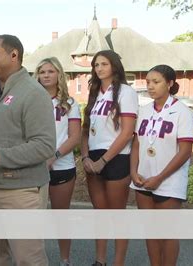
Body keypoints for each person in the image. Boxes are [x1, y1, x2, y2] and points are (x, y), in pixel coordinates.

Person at [0, 34, 56, 266]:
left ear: (14, 55)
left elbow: (45, 145)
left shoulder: (33, 93)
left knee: (28, 258)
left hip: (20, 191)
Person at [130, 64, 193, 266]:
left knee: (167, 234)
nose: (150, 86)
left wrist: (159, 178)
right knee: (151, 233)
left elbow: (185, 151)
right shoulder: (144, 110)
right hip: (143, 180)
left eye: (156, 82)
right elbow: (137, 142)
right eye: (148, 82)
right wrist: (133, 172)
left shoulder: (182, 112)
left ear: (170, 83)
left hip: (168, 181)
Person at [80, 50, 138, 266]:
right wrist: (85, 157)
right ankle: (100, 260)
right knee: (100, 214)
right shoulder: (94, 92)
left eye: (104, 63)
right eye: (96, 65)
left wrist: (103, 161)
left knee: (117, 215)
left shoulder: (125, 92)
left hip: (115, 157)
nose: (99, 68)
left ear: (114, 66)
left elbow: (126, 132)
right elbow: (86, 130)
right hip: (92, 158)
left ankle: (118, 262)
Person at [34, 57, 81, 266]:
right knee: (34, 218)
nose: (46, 75)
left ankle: (65, 260)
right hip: (34, 167)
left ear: (59, 75)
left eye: (50, 71)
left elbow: (74, 137)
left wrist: (54, 157)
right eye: (42, 72)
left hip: (62, 166)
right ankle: (35, 260)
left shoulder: (70, 104)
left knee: (61, 217)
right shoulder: (31, 101)